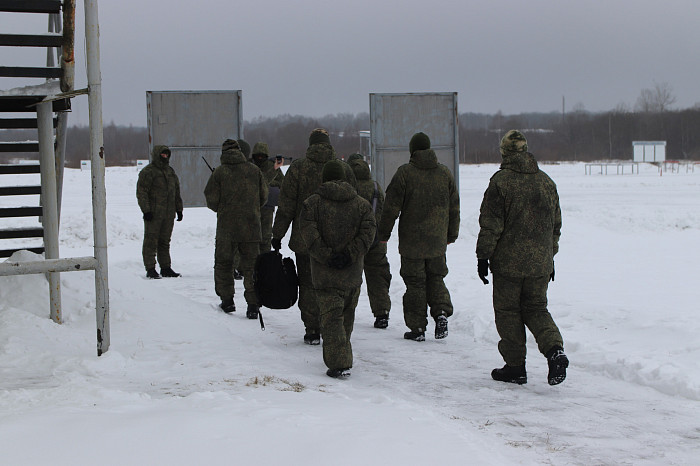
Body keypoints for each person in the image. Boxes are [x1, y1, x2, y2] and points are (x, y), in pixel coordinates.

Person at [476, 129, 569, 386]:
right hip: (540, 263)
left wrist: (483, 256)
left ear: (504, 152)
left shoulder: (500, 182)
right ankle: (554, 350)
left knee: (508, 312)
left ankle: (515, 367)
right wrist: (550, 256)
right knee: (536, 308)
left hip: (508, 265)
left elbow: (491, 225)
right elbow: (556, 226)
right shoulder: (546, 182)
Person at [271, 128, 353, 345]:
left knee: (308, 284)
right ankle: (334, 326)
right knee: (334, 286)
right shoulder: (343, 167)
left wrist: (277, 233)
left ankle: (312, 329)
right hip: (338, 240)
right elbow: (355, 202)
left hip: (305, 240)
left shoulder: (298, 168)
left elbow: (286, 205)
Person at [378, 132, 460, 341]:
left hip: (412, 242)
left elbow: (390, 208)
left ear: (412, 150)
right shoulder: (445, 174)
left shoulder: (405, 174)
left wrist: (383, 233)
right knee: (436, 278)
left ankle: (417, 328)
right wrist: (451, 234)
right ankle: (441, 312)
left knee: (415, 283)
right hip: (437, 242)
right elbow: (454, 207)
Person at [300, 160, 376, 378]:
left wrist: (328, 256)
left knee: (331, 318)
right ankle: (342, 354)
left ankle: (339, 363)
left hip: (324, 274)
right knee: (346, 315)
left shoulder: (311, 204)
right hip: (351, 273)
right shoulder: (361, 205)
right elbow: (368, 232)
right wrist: (350, 254)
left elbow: (309, 234)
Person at [204, 139, 268, 319]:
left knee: (224, 264)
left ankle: (227, 300)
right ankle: (253, 305)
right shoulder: (254, 171)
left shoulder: (219, 173)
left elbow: (211, 200)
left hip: (227, 228)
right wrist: (252, 209)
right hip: (251, 227)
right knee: (251, 267)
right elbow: (263, 197)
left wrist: (224, 209)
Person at [347, 153, 392, 329]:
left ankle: (348, 312)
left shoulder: (348, 187)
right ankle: (382, 313)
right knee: (378, 277)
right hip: (375, 240)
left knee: (350, 278)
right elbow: (383, 210)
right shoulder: (375, 187)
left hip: (353, 242)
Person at [136, 145, 183, 279]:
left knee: (164, 241)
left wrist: (179, 208)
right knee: (151, 241)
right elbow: (142, 192)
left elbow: (176, 192)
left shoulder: (170, 172)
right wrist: (146, 210)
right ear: (157, 154)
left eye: (166, 154)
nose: (165, 156)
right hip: (154, 214)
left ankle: (166, 267)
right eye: (162, 154)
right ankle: (150, 268)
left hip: (168, 214)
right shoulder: (148, 172)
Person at [251, 142, 285, 253]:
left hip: (267, 206)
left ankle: (264, 261)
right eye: (258, 156)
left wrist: (271, 184)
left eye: (262, 156)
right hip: (251, 206)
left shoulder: (272, 166)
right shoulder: (249, 166)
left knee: (265, 236)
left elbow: (282, 183)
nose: (260, 158)